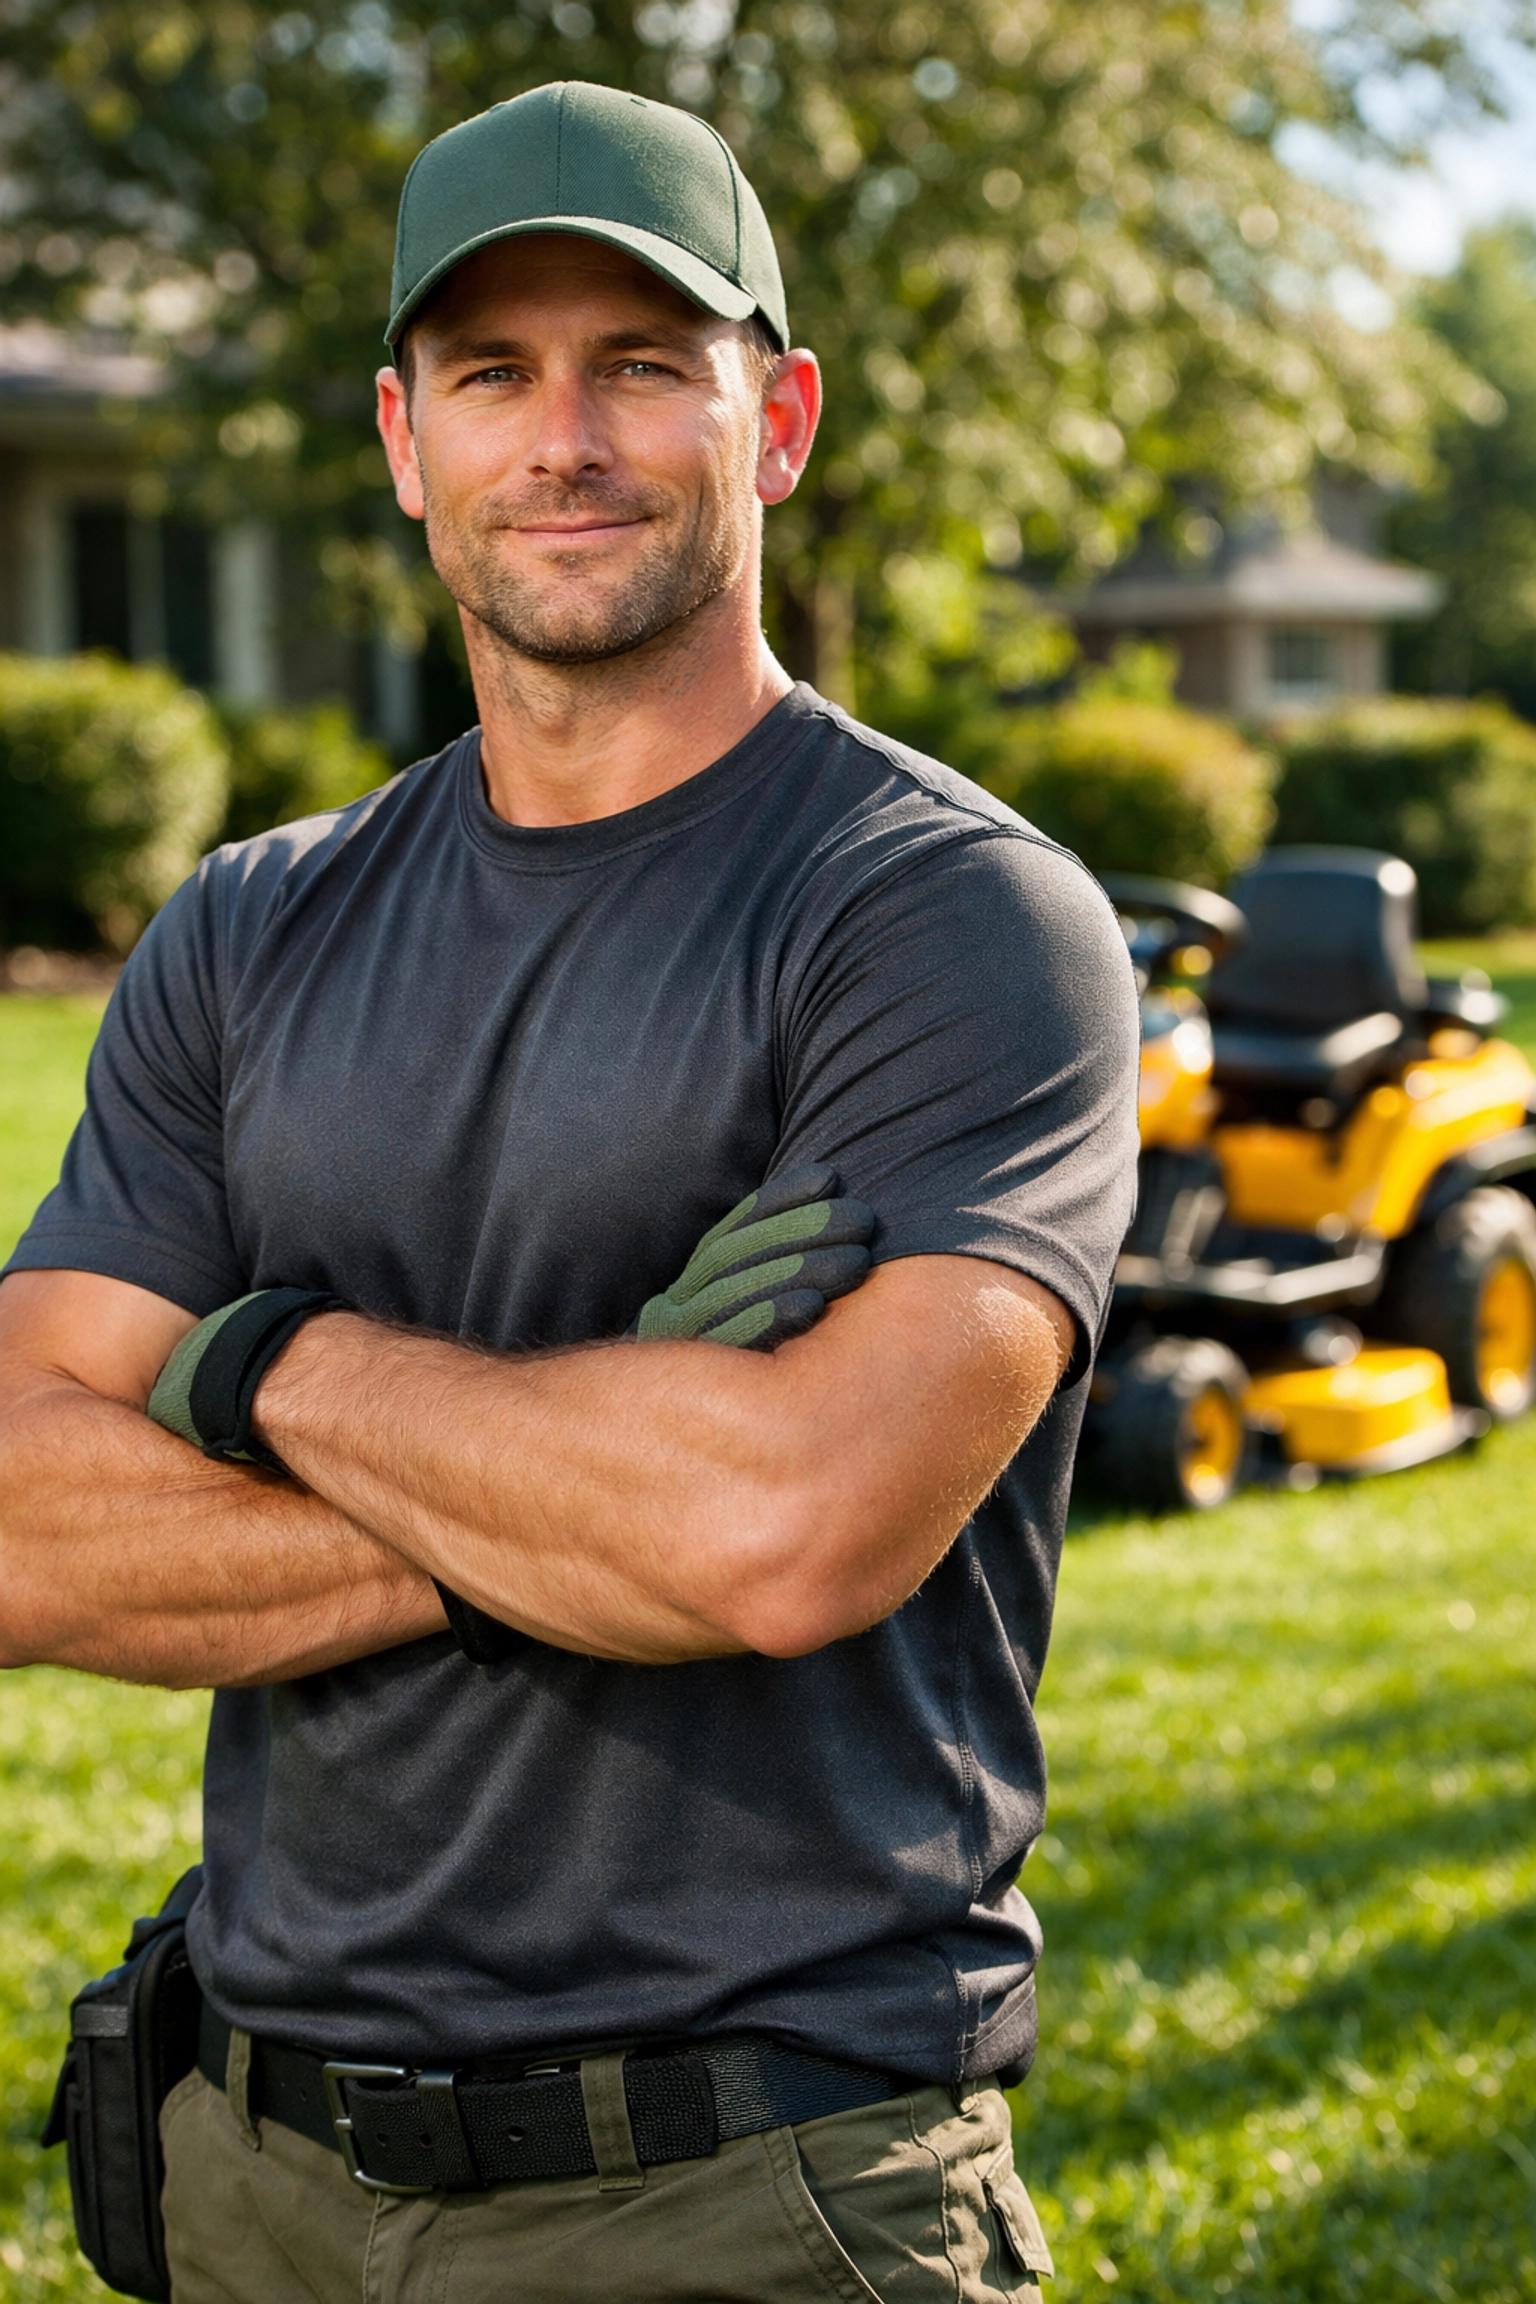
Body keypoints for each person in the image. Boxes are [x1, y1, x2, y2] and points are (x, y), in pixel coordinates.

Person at [0, 79, 1139, 2304]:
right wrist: (595, 1470)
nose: (564, 439)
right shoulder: (249, 926)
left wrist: (260, 1363)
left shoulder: (946, 918)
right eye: (492, 374)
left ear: (776, 422)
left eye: (640, 364)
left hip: (746, 2187)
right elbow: (24, 1525)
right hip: (255, 2181)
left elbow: (785, 1530)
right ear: (404, 440)